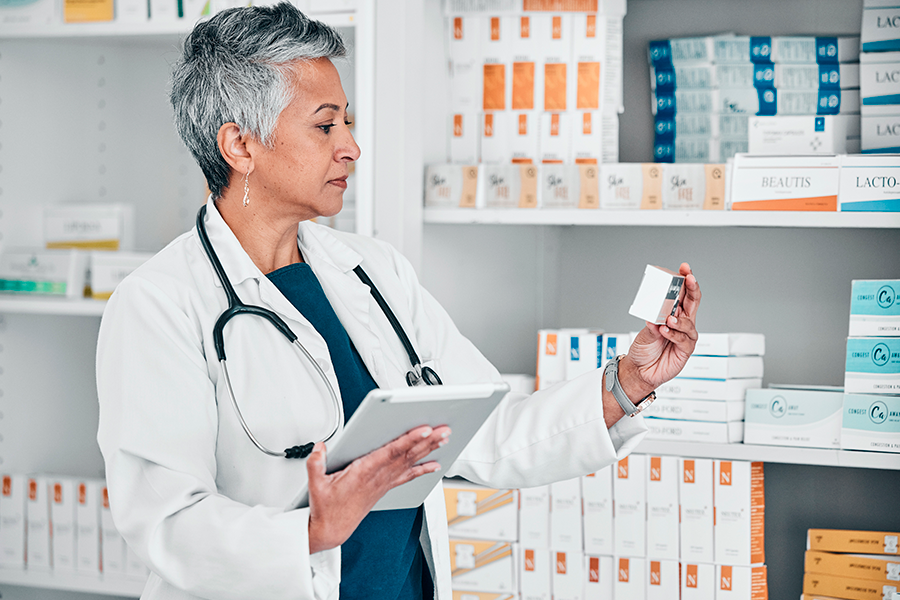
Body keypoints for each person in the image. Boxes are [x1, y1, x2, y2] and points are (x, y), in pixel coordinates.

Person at [95, 4, 701, 600]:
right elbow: (166, 522)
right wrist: (310, 530)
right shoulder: (160, 304)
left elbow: (482, 433)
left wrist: (626, 383)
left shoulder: (372, 271)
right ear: (240, 146)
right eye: (325, 125)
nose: (351, 147)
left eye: (348, 123)